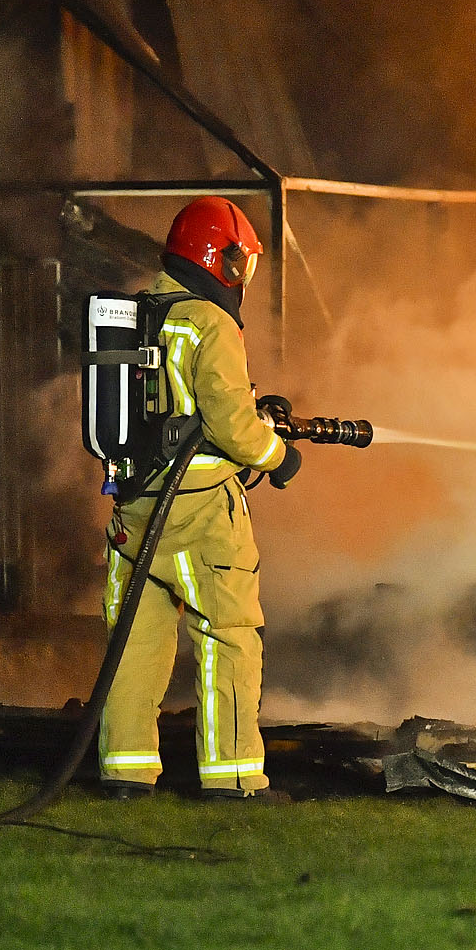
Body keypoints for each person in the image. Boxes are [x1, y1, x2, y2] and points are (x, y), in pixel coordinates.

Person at [97, 196, 301, 800]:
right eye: (239, 261)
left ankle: (126, 774)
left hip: (135, 508)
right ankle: (232, 778)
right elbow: (232, 426)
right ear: (217, 257)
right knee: (229, 636)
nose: (242, 276)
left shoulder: (141, 311)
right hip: (201, 511)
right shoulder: (210, 323)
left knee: (134, 644)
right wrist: (279, 457)